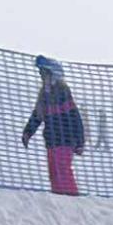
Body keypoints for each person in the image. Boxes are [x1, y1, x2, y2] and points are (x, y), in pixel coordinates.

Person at [22, 55, 86, 198]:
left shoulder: (63, 93)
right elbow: (37, 116)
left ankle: (72, 197)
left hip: (66, 139)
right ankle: (59, 196)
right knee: (53, 171)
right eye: (41, 73)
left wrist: (80, 142)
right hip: (52, 141)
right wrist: (27, 133)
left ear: (53, 74)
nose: (42, 77)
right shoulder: (44, 96)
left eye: (44, 73)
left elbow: (76, 118)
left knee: (62, 169)